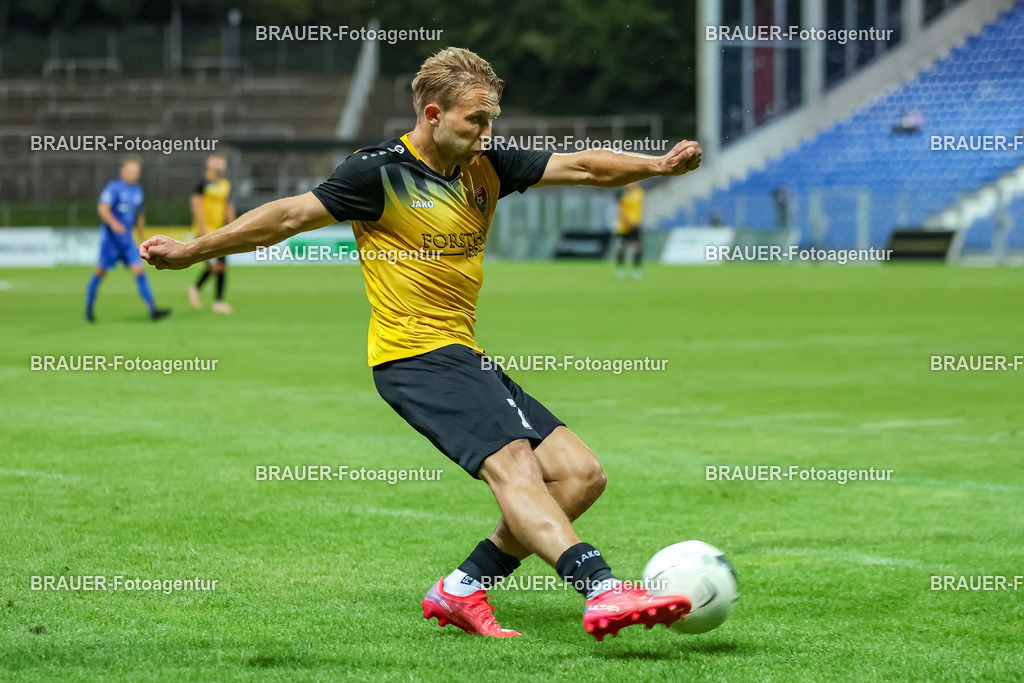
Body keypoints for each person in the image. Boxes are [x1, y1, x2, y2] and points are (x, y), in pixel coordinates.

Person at [140, 47, 702, 641]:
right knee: (516, 468)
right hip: (412, 354)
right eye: (476, 121)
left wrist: (659, 167)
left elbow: (584, 168)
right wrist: (191, 249)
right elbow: (286, 218)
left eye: (492, 121)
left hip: (460, 351)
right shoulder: (377, 172)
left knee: (580, 474)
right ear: (433, 114)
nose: (489, 133)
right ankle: (603, 590)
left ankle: (461, 590)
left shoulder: (487, 163)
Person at [85, 156, 170, 323]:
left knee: (139, 271)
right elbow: (103, 208)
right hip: (111, 241)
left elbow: (140, 215)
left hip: (127, 241)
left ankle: (153, 309)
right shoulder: (114, 187)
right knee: (100, 273)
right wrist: (114, 224)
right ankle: (88, 311)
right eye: (130, 170)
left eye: (136, 171)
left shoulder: (137, 190)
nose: (133, 174)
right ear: (123, 171)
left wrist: (141, 236)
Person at [188, 152, 236, 313]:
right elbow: (196, 206)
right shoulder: (202, 184)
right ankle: (204, 293)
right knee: (215, 266)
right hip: (205, 231)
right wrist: (202, 230)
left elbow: (228, 206)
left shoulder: (225, 184)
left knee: (220, 266)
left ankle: (213, 299)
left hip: (219, 231)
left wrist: (234, 225)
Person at [614, 181, 644, 279]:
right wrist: (627, 221)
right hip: (624, 226)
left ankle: (637, 269)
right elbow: (620, 210)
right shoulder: (622, 194)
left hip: (636, 225)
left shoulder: (639, 192)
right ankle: (620, 269)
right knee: (622, 248)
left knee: (638, 247)